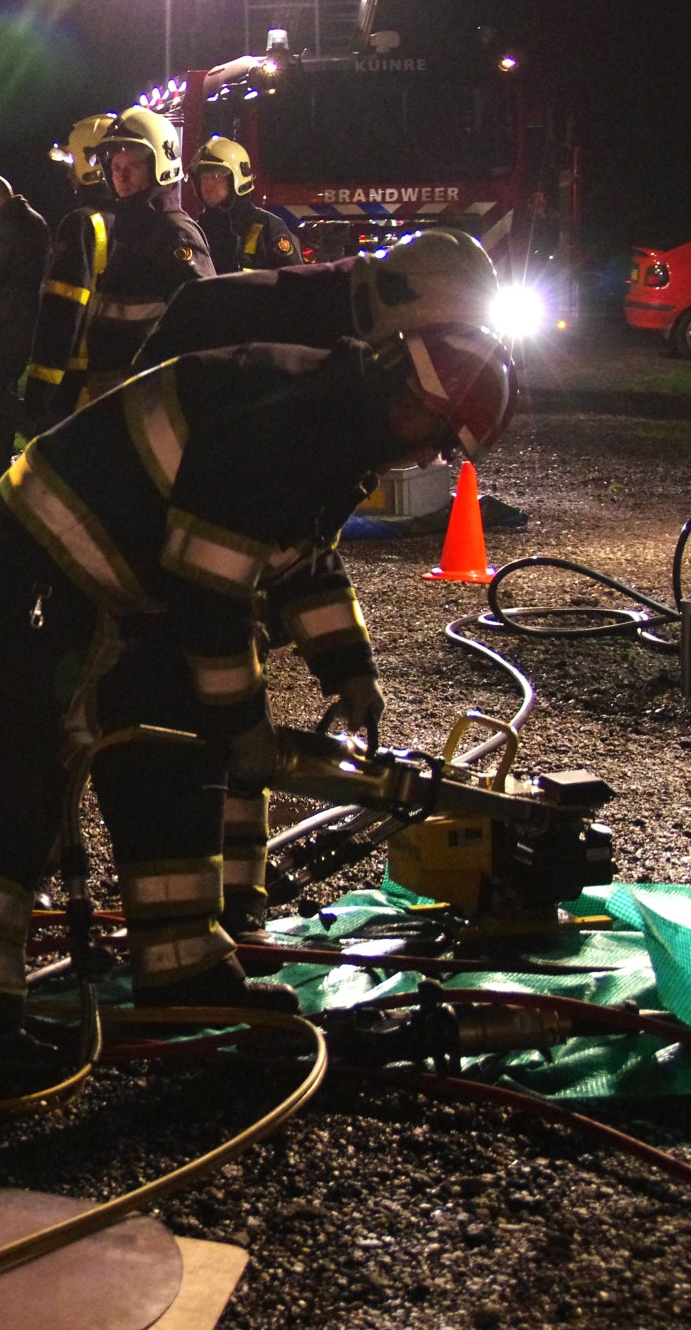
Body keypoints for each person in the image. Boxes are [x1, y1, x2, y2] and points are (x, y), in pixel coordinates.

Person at [0, 323, 519, 1091]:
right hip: (58, 551)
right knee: (26, 776)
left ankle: (181, 967)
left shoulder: (338, 418)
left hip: (143, 575)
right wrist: (246, 730)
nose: (429, 460)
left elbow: (299, 553)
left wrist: (348, 667)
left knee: (172, 760)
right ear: (414, 406)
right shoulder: (294, 423)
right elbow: (211, 592)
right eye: (438, 442)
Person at [128, 225, 502, 931]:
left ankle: (235, 906)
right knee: (193, 722)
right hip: (165, 538)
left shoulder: (366, 360)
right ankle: (182, 940)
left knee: (235, 706)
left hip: (219, 533)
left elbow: (307, 540)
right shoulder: (283, 342)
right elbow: (240, 547)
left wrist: (347, 664)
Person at [72, 106, 212, 406]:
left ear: (159, 165)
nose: (120, 176)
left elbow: (204, 320)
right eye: (114, 166)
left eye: (131, 166)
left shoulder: (173, 232)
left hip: (150, 393)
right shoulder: (132, 227)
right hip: (116, 390)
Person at [24, 113, 114, 433]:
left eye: (72, 163)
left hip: (79, 383)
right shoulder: (137, 220)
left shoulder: (80, 223)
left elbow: (63, 311)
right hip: (119, 377)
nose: (69, 174)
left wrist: (39, 391)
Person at [0, 172, 49, 483]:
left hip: (8, 320)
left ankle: (41, 438)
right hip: (27, 318)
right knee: (6, 389)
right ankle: (1, 460)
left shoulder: (8, 225)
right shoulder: (34, 221)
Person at [191, 136, 299, 273]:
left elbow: (294, 283)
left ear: (237, 178)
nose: (208, 184)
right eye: (204, 177)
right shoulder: (196, 231)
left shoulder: (267, 227)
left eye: (216, 176)